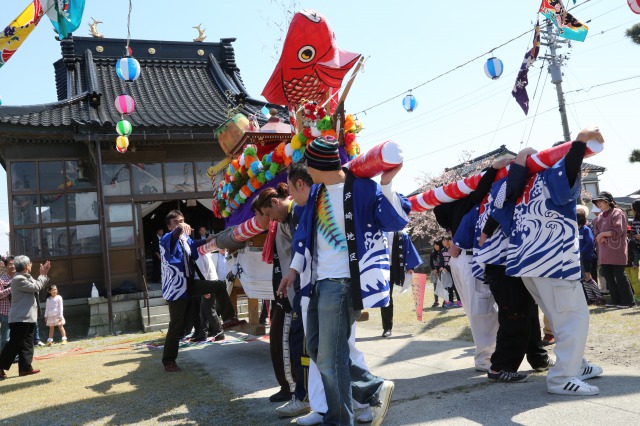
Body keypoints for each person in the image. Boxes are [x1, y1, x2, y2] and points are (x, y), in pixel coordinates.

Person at [279, 136, 407, 426]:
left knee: (329, 355)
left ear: (319, 165)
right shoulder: (316, 193)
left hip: (343, 283)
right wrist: (294, 271)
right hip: (317, 283)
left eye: (309, 165)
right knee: (316, 349)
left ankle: (339, 419)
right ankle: (373, 386)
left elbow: (395, 221)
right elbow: (305, 237)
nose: (306, 171)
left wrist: (386, 184)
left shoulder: (362, 188)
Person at [506, 127, 605, 396]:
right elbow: (565, 181)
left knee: (560, 317)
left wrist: (519, 161)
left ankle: (577, 364)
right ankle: (563, 378)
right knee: (574, 318)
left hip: (527, 261)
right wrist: (580, 142)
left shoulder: (525, 181)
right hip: (552, 259)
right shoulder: (551, 175)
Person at [476, 147, 551, 383]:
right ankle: (500, 368)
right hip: (501, 265)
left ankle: (538, 358)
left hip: (515, 263)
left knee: (528, 312)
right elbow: (508, 191)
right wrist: (521, 159)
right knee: (515, 315)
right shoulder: (498, 193)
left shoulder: (510, 193)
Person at [434, 157, 509, 372]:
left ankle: (487, 356)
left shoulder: (446, 208)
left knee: (479, 310)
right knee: (482, 310)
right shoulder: (462, 204)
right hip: (469, 260)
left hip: (463, 260)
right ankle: (485, 359)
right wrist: (493, 169)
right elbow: (480, 190)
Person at [160, 210, 240, 372]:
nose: (180, 224)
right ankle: (169, 361)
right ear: (169, 226)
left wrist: (208, 240)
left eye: (182, 220)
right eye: (176, 222)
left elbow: (193, 245)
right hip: (176, 288)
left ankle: (229, 318)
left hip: (190, 283)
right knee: (177, 325)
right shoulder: (165, 239)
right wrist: (179, 228)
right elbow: (174, 236)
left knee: (218, 285)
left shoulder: (185, 239)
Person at [251, 189, 296, 404]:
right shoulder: (277, 225)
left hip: (290, 293)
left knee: (283, 342)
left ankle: (292, 388)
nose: (264, 219)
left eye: (262, 214)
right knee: (279, 341)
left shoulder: (285, 220)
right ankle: (289, 386)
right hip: (283, 292)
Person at [0, 256, 51, 379]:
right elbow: (37, 286)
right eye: (30, 263)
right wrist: (43, 275)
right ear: (27, 266)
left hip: (28, 317)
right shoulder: (18, 279)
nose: (31, 265)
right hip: (19, 318)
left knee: (27, 343)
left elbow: (38, 284)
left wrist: (41, 276)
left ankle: (25, 368)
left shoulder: (26, 277)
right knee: (15, 344)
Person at [592, 191, 635, 309]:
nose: (599, 203)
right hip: (604, 250)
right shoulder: (600, 216)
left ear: (608, 202)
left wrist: (602, 235)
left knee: (619, 275)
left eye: (601, 201)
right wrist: (599, 236)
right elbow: (595, 231)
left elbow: (619, 230)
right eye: (597, 202)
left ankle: (627, 301)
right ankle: (615, 300)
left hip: (616, 250)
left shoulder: (618, 213)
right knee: (608, 275)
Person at [381, 231, 422, 336]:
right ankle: (387, 327)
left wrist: (411, 267)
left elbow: (408, 249)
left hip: (398, 267)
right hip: (383, 268)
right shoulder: (378, 233)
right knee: (386, 296)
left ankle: (418, 319)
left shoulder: (401, 235)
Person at [441, 236, 461, 307]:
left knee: (455, 285)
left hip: (452, 269)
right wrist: (442, 267)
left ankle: (459, 301)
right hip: (446, 271)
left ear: (449, 241)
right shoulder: (443, 250)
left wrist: (446, 267)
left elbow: (452, 260)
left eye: (444, 240)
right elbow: (442, 260)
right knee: (449, 286)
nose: (443, 242)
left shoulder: (452, 249)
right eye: (442, 240)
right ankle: (451, 301)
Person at [0, 256, 14, 351]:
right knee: (6, 337)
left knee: (17, 337)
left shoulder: (20, 277)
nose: (12, 266)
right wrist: (11, 288)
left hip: (20, 313)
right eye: (10, 264)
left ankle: (15, 357)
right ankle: (3, 358)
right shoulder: (2, 279)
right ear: (5, 266)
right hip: (6, 313)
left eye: (14, 264)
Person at [429, 240, 445, 308]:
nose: (435, 246)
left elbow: (443, 262)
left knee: (444, 286)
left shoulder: (443, 252)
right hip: (434, 272)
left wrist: (438, 269)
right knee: (435, 287)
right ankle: (436, 301)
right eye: (434, 245)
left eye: (437, 245)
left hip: (442, 271)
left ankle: (446, 300)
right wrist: (434, 269)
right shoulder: (433, 253)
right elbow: (431, 263)